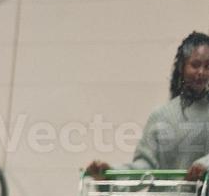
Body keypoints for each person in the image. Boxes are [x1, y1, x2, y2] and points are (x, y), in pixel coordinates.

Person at [87, 31, 209, 181]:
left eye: (208, 66)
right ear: (182, 67)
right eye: (195, 65)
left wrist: (204, 165)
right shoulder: (162, 115)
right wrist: (111, 174)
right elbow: (146, 166)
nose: (202, 72)